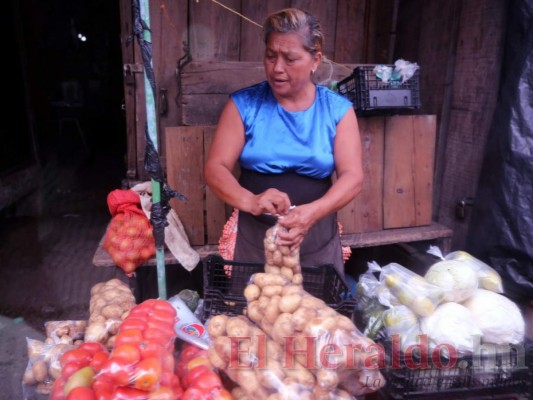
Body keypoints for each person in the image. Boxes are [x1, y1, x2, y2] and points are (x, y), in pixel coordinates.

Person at [205, 8, 363, 277]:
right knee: (254, 310)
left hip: (316, 234)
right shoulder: (244, 105)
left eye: (290, 59)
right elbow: (215, 168)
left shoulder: (337, 110)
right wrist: (251, 201)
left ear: (315, 60)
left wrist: (312, 213)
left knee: (317, 315)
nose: (277, 68)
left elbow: (353, 177)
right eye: (270, 56)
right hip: (255, 236)